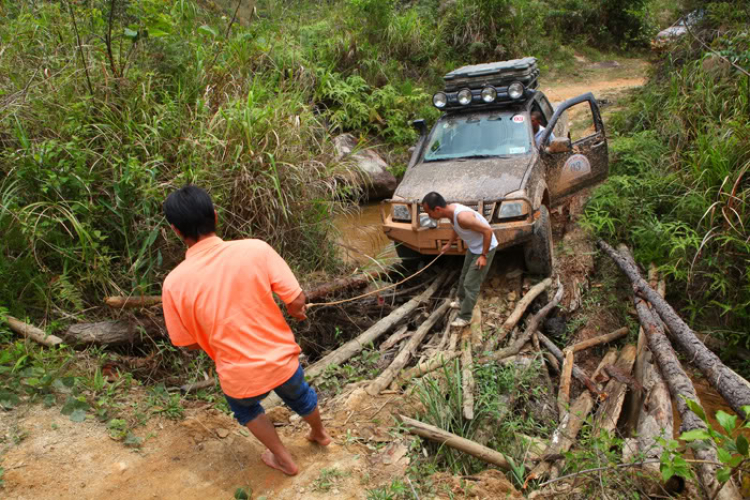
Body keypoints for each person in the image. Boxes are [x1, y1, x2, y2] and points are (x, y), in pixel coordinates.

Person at [161, 185, 330, 477]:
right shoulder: (256, 249)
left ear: (176, 231)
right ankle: (320, 434)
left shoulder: (173, 284)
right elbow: (296, 299)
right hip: (281, 361)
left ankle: (284, 459)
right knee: (301, 396)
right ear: (215, 216)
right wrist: (296, 310)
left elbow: (185, 343)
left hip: (237, 374)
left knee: (247, 410)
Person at [421, 192, 498, 328]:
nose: (429, 217)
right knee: (463, 276)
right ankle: (462, 302)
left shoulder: (463, 217)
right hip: (474, 248)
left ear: (437, 209)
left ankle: (465, 316)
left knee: (470, 283)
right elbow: (455, 227)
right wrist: (450, 244)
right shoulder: (450, 212)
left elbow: (488, 231)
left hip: (485, 249)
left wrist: (483, 256)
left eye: (429, 213)